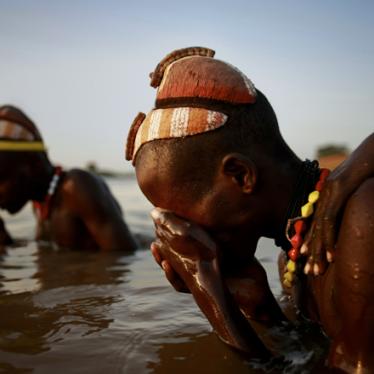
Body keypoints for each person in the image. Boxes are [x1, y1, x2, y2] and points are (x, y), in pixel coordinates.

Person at [125, 47, 374, 372]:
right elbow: (309, 360)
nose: (180, 234)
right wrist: (260, 308)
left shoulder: (361, 220)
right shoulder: (291, 259)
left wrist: (213, 301)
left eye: (180, 215)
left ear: (241, 175)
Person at [0, 105, 137, 251]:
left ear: (33, 164)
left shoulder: (77, 188)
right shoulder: (40, 204)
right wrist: (5, 241)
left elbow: (123, 260)